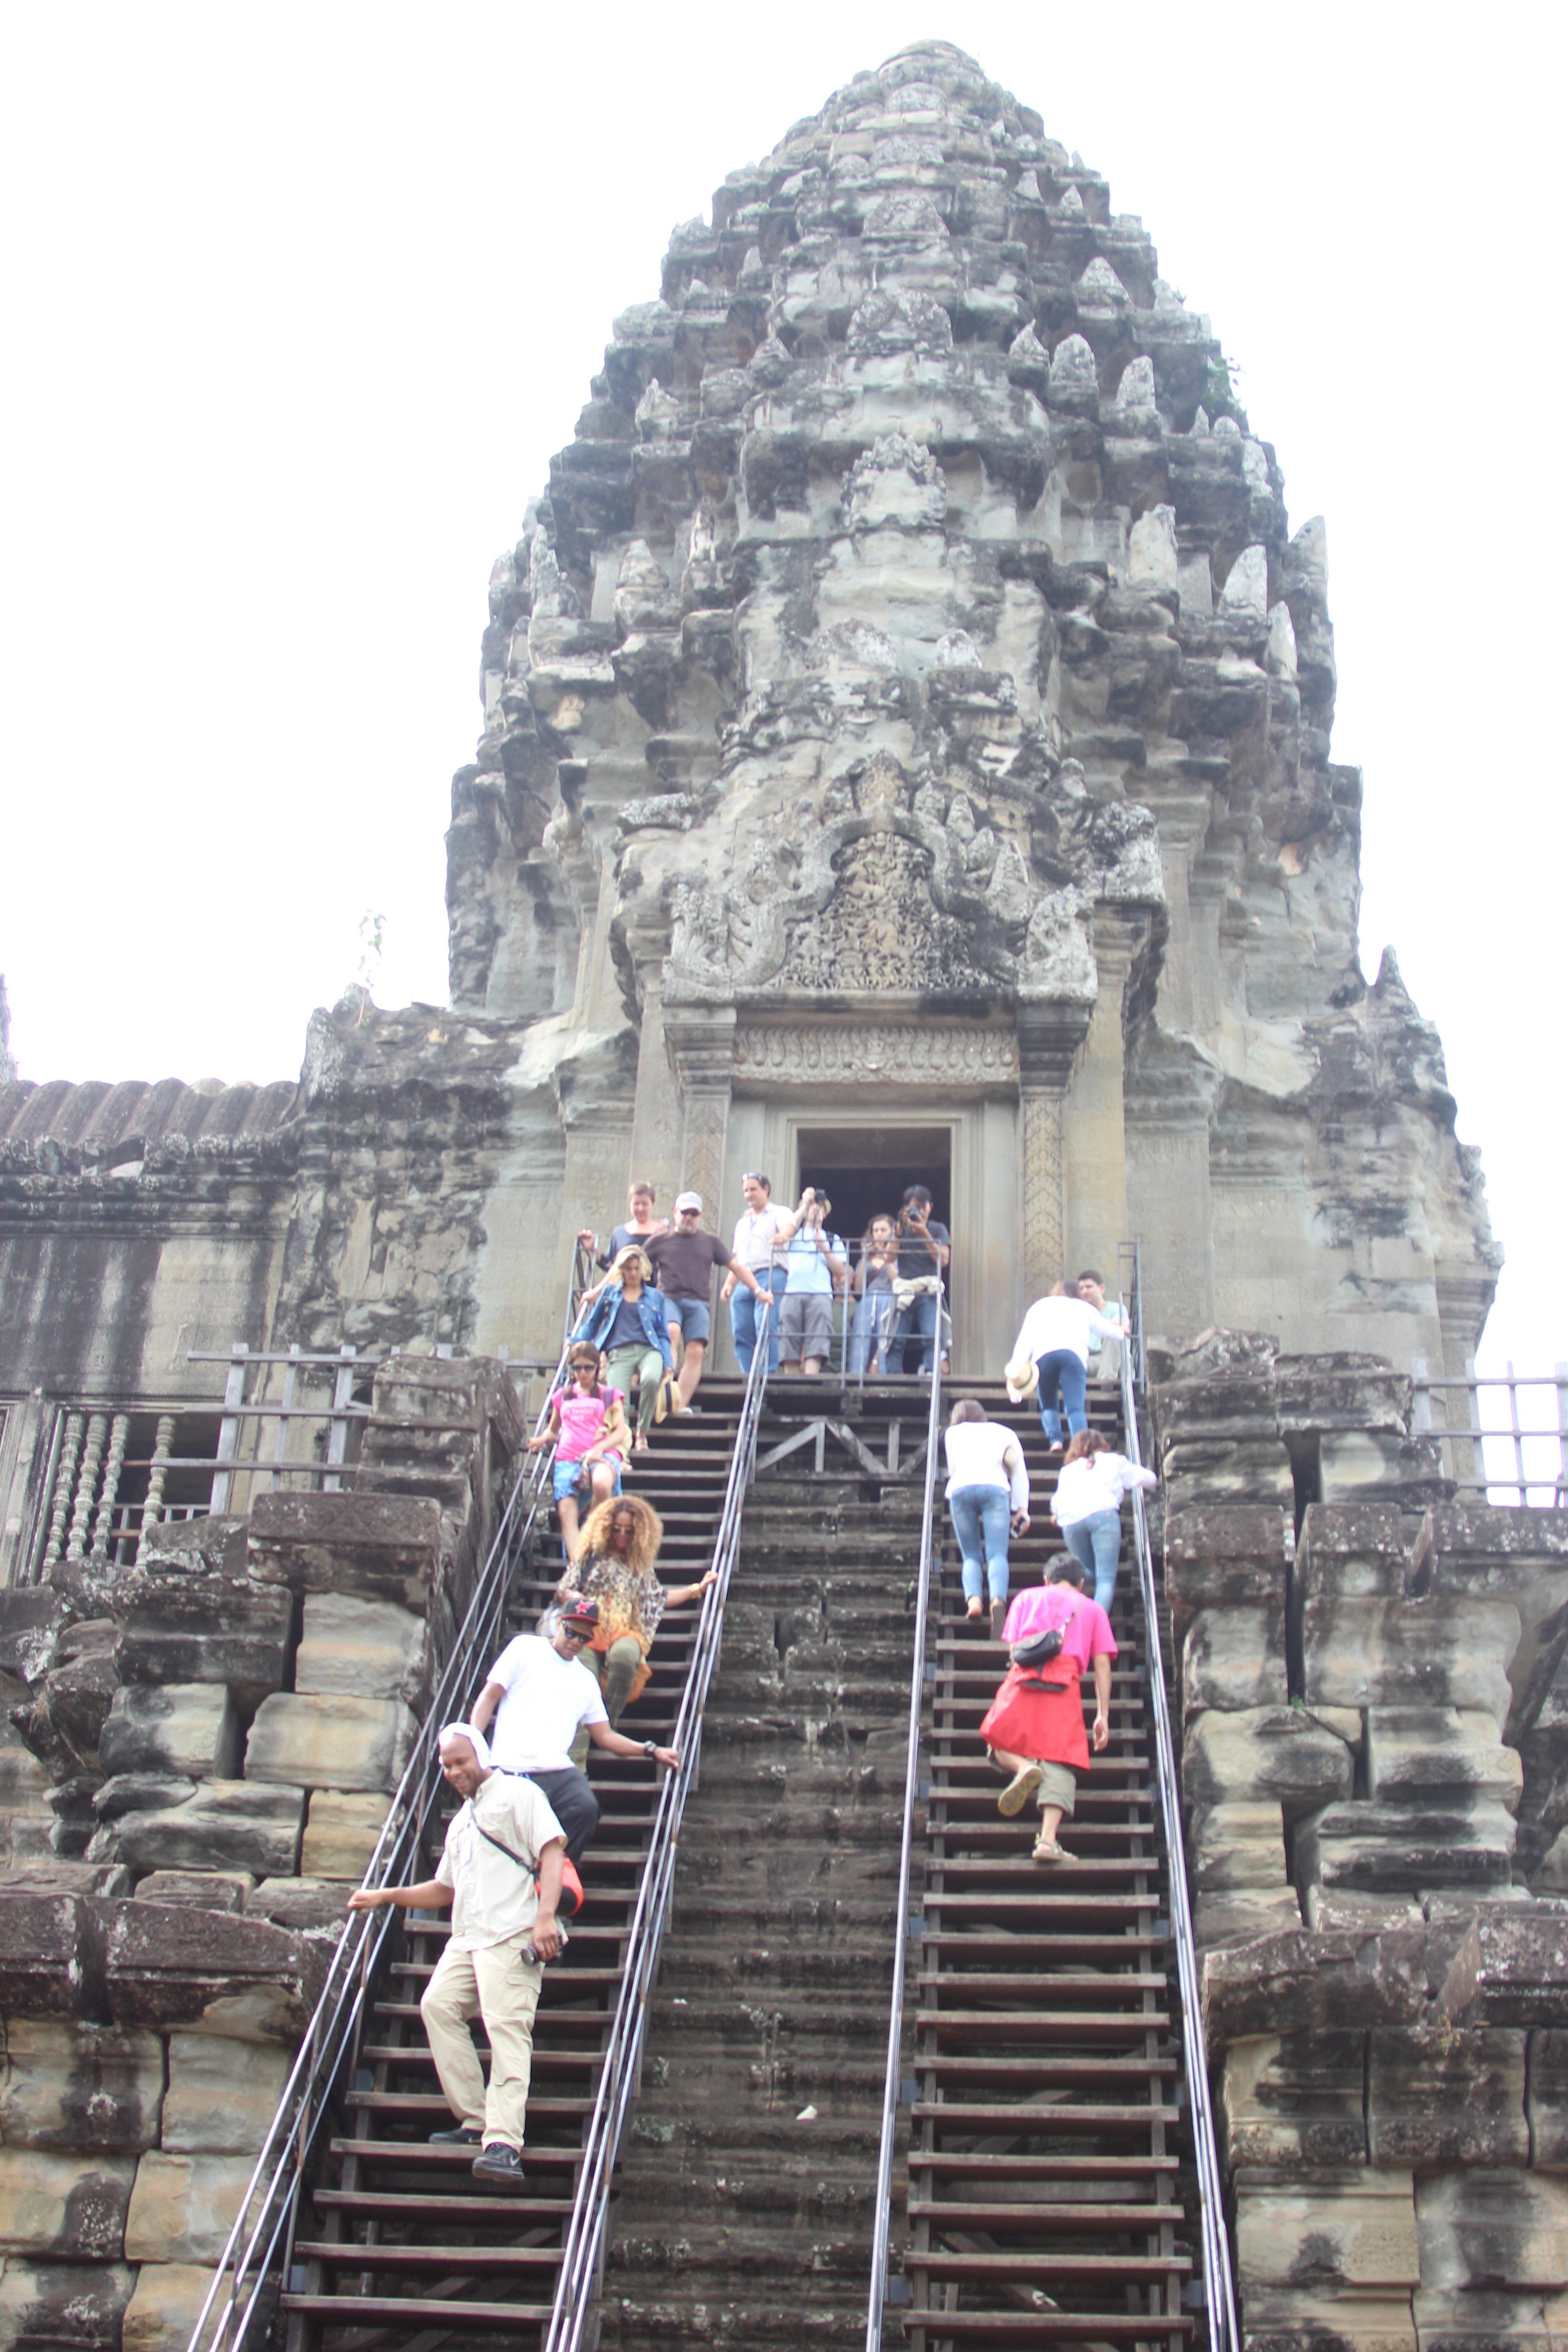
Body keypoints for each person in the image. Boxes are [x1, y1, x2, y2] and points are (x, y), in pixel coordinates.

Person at [346, 1723, 566, 2186]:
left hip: (510, 1933)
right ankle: (475, 2120)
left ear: (481, 1755)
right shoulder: (461, 1820)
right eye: (446, 1765)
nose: (453, 1771)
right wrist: (386, 1896)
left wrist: (545, 1918)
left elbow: (551, 1852)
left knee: (506, 2030)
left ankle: (504, 2142)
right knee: (437, 2005)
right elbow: (444, 1889)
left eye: (460, 1761)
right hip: (467, 1938)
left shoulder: (518, 1795)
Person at [470, 1599, 681, 1870]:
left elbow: (605, 1737)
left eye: (584, 1637)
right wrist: (476, 1746)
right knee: (510, 1827)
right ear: (559, 1625)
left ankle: (555, 1877)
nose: (575, 1642)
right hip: (510, 1765)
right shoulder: (525, 1648)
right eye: (570, 1632)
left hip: (555, 1767)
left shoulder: (585, 1680)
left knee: (585, 1808)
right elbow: (489, 1697)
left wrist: (651, 1750)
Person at [980, 1556, 1117, 1865]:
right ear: (1082, 1583)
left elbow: (1014, 1650)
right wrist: (1102, 1715)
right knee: (1060, 1759)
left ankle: (1023, 1768)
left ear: (1047, 1579)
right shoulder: (1092, 1609)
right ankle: (1047, 1840)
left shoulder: (1027, 1598)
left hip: (1024, 1677)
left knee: (998, 1738)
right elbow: (1102, 1664)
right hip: (1064, 1685)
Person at [555, 1493, 719, 1720]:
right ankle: (582, 1733)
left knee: (625, 1659)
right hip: (587, 1629)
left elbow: (658, 1598)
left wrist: (697, 1589)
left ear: (638, 1532)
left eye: (629, 1530)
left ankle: (608, 1720)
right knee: (585, 1677)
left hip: (624, 1630)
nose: (622, 1535)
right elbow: (563, 1589)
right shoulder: (590, 1557)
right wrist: (576, 1596)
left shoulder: (639, 1566)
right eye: (616, 1528)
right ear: (606, 1528)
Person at [642, 1191, 764, 1411]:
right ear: (675, 1213)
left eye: (694, 1213)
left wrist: (758, 1290)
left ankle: (679, 1404)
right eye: (684, 1213)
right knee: (671, 1332)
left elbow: (737, 1267)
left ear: (699, 1216)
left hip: (698, 1302)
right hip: (669, 1298)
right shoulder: (661, 1240)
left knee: (696, 1351)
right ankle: (665, 1390)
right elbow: (631, 1261)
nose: (688, 1217)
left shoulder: (710, 1242)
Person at [528, 1341, 628, 1561]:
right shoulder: (563, 1396)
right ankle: (577, 1567)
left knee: (602, 1483)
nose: (582, 1373)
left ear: (597, 1368)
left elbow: (620, 1432)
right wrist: (541, 1440)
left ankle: (593, 1526)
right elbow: (554, 1430)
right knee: (566, 1511)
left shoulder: (609, 1395)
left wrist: (599, 1449)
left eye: (588, 1368)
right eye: (577, 1368)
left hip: (601, 1454)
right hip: (568, 1458)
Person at [944, 1398, 1030, 1640]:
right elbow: (1018, 1469)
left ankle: (973, 1601)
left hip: (961, 1490)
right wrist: (1021, 1508)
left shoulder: (952, 1434)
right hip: (995, 1490)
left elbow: (952, 1470)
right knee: (996, 1554)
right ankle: (997, 1601)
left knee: (970, 1555)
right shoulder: (1004, 1433)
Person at [571, 1246, 672, 1453]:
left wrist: (668, 1362)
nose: (633, 1273)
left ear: (643, 1269)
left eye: (637, 1268)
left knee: (652, 1379)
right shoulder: (610, 1293)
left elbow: (662, 1332)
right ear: (622, 1271)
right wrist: (574, 1341)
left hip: (649, 1349)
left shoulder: (656, 1297)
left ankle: (642, 1433)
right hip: (619, 1351)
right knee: (619, 1399)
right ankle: (623, 1445)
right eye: (628, 1269)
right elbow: (593, 1324)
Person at [1008, 1279, 1129, 1449]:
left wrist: (1016, 1374)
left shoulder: (1039, 1306)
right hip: (1073, 1357)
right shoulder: (1084, 1308)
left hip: (1044, 1358)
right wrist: (1121, 1333)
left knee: (1049, 1405)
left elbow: (1025, 1341)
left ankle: (1056, 1441)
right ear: (1076, 1294)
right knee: (1075, 1407)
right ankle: (1081, 1447)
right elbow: (1102, 1328)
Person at [1050, 1430, 1156, 1615]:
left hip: (1071, 1521)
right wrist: (1155, 1485)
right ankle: (1095, 1629)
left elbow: (1056, 1502)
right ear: (1102, 1445)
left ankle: (1062, 1593)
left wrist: (1056, 1515)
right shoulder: (1114, 1460)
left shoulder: (1067, 1470)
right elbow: (1148, 1478)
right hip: (1104, 1515)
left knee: (1085, 1573)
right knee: (1106, 1578)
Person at [720, 1171, 791, 1376]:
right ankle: (749, 1374)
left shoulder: (779, 1212)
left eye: (753, 1189)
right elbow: (738, 1258)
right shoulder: (742, 1222)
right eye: (746, 1191)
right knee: (741, 1329)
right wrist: (729, 1284)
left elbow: (789, 1227)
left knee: (765, 1324)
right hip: (744, 1278)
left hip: (771, 1273)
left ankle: (767, 1373)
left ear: (765, 1189)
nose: (749, 1194)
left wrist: (782, 1236)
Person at [777, 1187, 847, 1375]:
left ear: (825, 1214)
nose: (816, 1210)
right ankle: (790, 1380)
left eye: (820, 1207)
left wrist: (824, 1247)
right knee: (789, 1336)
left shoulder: (832, 1239)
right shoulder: (791, 1236)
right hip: (791, 1291)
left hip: (820, 1293)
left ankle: (811, 1379)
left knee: (818, 1337)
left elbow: (841, 1270)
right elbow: (782, 1235)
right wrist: (803, 1206)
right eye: (813, 1206)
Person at [890, 1185, 950, 1374]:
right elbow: (889, 1258)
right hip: (905, 1290)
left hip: (927, 1291)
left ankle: (931, 1375)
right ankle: (892, 1378)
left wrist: (924, 1232)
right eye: (914, 1207)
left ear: (930, 1207)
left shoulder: (938, 1229)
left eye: (922, 1207)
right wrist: (899, 1230)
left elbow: (944, 1260)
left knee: (932, 1337)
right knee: (895, 1339)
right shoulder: (901, 1229)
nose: (919, 1211)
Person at [847, 1213, 898, 1378]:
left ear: (892, 1232)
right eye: (875, 1230)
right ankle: (857, 1377)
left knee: (885, 1341)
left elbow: (897, 1282)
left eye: (883, 1230)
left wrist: (886, 1254)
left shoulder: (898, 1255)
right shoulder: (867, 1258)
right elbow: (858, 1288)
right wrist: (863, 1258)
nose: (878, 1234)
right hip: (868, 1300)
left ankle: (884, 1377)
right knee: (861, 1341)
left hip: (889, 1299)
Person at [576, 1181, 668, 1271]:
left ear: (653, 1205)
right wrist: (592, 1248)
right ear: (630, 1204)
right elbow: (610, 1265)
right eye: (636, 1204)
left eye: (645, 1204)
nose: (640, 1208)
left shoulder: (664, 1232)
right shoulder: (619, 1233)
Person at [1078, 1268, 1123, 1388]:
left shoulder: (1116, 1308)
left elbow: (1122, 1326)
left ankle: (1105, 1387)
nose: (1085, 1291)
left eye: (1089, 1287)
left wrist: (1096, 1324)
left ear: (1102, 1289)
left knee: (1113, 1334)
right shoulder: (1079, 1313)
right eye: (1081, 1288)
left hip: (1112, 1359)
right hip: (1089, 1360)